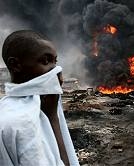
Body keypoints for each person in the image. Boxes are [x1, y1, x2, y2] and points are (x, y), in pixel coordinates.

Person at [0, 30, 80, 166]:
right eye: (45, 61)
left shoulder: (8, 106)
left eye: (55, 61)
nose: (56, 71)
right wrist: (52, 117)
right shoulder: (23, 124)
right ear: (15, 65)